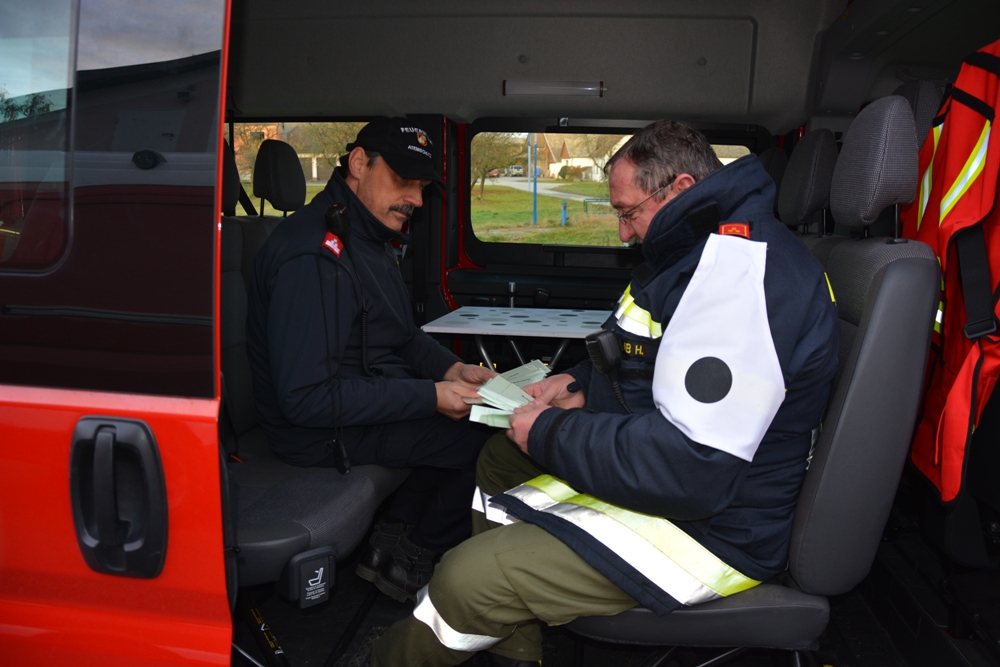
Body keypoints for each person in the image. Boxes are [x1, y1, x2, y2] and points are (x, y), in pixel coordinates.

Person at [372, 120, 840, 666]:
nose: (622, 234)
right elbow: (645, 365)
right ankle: (515, 649)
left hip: (716, 531)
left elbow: (692, 466)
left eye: (627, 212)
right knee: (499, 459)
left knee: (464, 578)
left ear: (680, 190)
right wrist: (579, 386)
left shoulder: (740, 275)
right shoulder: (693, 255)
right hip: (699, 490)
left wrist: (550, 431)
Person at [246, 117, 494, 603]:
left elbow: (402, 337)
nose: (415, 199)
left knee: (484, 421)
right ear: (359, 164)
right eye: (403, 181)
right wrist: (429, 397)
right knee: (488, 442)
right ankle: (412, 554)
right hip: (316, 434)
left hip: (354, 408)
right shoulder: (313, 256)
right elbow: (306, 400)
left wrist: (452, 371)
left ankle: (392, 540)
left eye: (422, 187)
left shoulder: (369, 237)